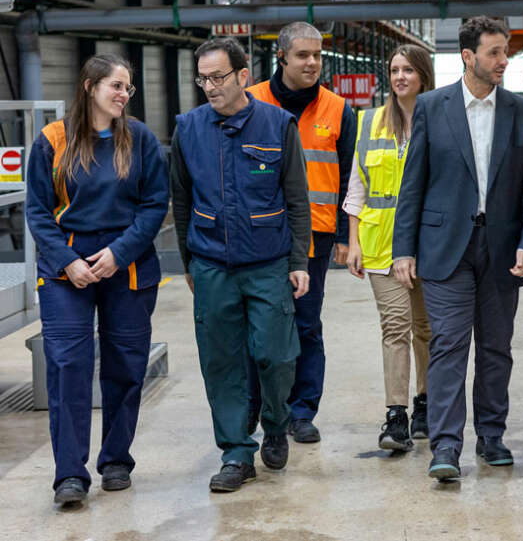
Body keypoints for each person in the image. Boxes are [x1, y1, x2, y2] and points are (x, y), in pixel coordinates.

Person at [392, 16, 523, 481]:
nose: (504, 61)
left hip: (502, 249)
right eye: (495, 52)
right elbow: (413, 184)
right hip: (445, 247)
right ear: (468, 57)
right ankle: (445, 446)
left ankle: (491, 436)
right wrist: (404, 249)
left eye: (506, 52)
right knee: (448, 345)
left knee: (497, 348)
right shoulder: (431, 107)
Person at [25, 54, 168, 505]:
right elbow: (37, 211)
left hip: (124, 265)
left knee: (126, 366)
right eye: (116, 86)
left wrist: (118, 252)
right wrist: (68, 261)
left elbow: (154, 205)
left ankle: (115, 461)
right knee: (69, 367)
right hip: (66, 270)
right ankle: (70, 474)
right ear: (90, 87)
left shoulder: (139, 139)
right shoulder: (53, 140)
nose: (124, 94)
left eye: (128, 87)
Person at [171, 37, 311, 492]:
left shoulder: (276, 125)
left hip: (268, 263)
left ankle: (274, 422)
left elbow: (296, 198)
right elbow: (181, 200)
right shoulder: (188, 129)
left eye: (218, 77)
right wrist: (190, 262)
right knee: (221, 361)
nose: (209, 87)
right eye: (203, 79)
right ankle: (236, 452)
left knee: (275, 355)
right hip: (212, 264)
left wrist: (299, 260)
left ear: (243, 76)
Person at [246, 21, 356, 444]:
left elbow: (349, 177)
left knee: (306, 324)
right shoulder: (251, 101)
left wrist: (347, 235)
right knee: (258, 325)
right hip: (259, 236)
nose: (312, 63)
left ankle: (302, 410)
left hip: (316, 236)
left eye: (317, 56)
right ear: (282, 58)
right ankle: (257, 407)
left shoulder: (338, 109)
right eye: (303, 56)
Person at [344, 44, 434, 451]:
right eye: (394, 69)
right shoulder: (369, 122)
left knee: (427, 331)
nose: (400, 77)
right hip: (380, 245)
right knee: (395, 327)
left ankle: (426, 404)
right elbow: (357, 186)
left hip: (430, 246)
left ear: (423, 76)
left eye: (408, 70)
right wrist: (352, 242)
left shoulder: (441, 118)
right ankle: (396, 416)